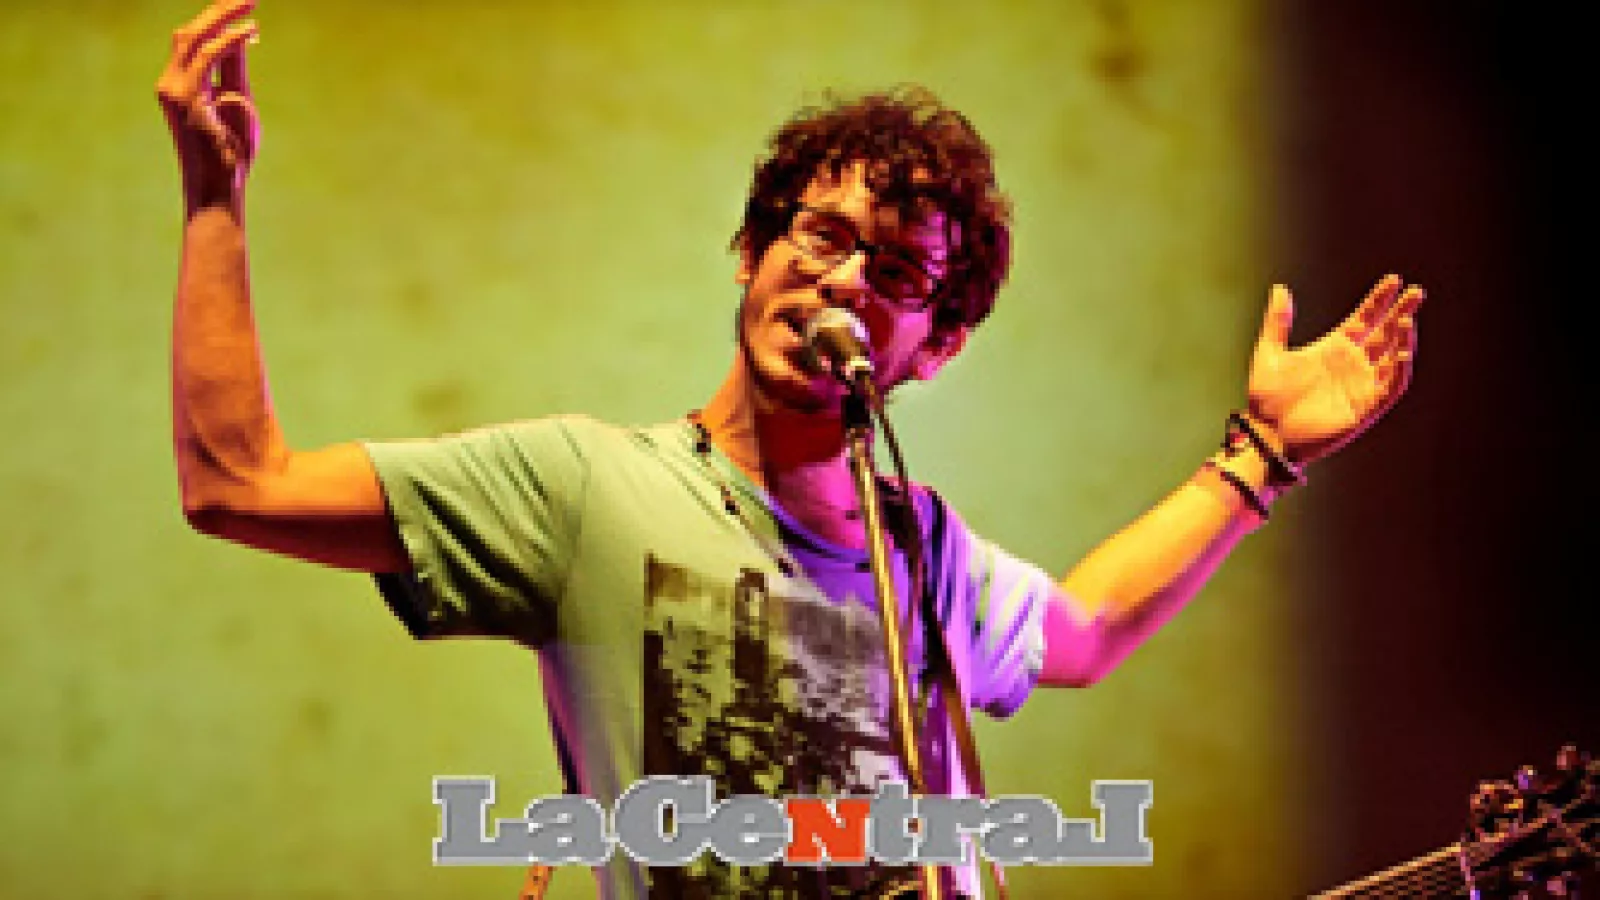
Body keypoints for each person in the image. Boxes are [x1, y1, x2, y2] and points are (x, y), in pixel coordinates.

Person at [155, 2, 1424, 899]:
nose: (843, 279)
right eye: (818, 235)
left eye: (897, 272)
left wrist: (1259, 453)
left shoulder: (918, 547)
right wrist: (216, 202)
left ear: (935, 346)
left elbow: (1082, 632)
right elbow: (239, 483)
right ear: (753, 252)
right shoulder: (586, 487)